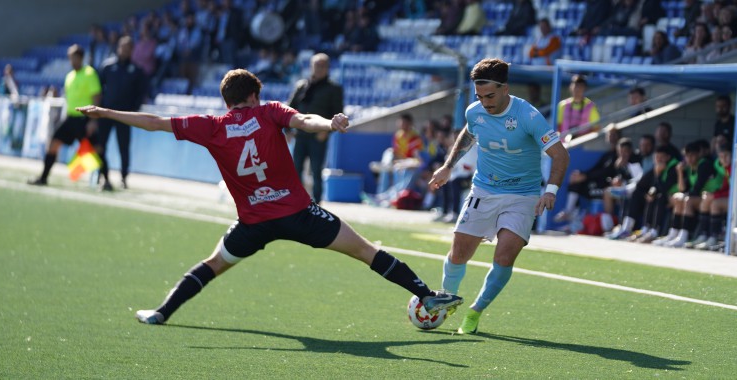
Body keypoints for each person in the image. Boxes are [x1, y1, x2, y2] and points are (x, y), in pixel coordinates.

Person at [75, 68, 463, 325]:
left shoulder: (210, 126)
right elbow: (305, 122)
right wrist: (331, 122)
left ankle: (162, 312)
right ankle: (427, 296)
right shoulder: (270, 112)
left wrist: (107, 112)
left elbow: (155, 123)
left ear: (228, 100)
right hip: (299, 214)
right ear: (255, 94)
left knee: (212, 264)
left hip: (253, 223)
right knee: (365, 250)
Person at [428, 58, 570, 334]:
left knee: (504, 257)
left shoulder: (528, 116)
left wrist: (550, 191)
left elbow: (560, 154)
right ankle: (445, 299)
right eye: (479, 96)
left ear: (505, 88)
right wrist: (448, 166)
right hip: (484, 190)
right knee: (459, 253)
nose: (484, 102)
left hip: (523, 196)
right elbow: (468, 135)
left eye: (490, 95)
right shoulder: (474, 112)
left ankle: (475, 312)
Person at [28, 44, 101, 186]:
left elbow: (96, 97)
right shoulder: (70, 76)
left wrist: (93, 120)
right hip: (70, 117)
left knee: (96, 149)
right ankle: (43, 177)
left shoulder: (89, 73)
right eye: (69, 58)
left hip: (84, 119)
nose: (71, 61)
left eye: (73, 58)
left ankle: (106, 180)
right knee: (53, 144)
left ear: (80, 58)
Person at [288, 53, 344, 203]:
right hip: (300, 134)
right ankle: (297, 201)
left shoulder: (334, 88)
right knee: (296, 169)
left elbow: (337, 113)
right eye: (316, 65)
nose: (319, 69)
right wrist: (288, 130)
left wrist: (327, 130)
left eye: (322, 66)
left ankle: (317, 202)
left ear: (328, 68)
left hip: (318, 135)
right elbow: (289, 109)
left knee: (316, 170)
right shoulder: (302, 85)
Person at [96, 36, 148, 190]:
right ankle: (101, 173)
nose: (124, 50)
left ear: (132, 50)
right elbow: (98, 89)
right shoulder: (107, 66)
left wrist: (133, 110)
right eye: (122, 47)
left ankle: (124, 177)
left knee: (123, 147)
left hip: (125, 115)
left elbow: (141, 92)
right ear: (118, 47)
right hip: (105, 114)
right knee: (100, 145)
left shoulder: (136, 71)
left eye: (128, 47)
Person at [556, 74, 600, 140]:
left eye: (580, 86)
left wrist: (579, 137)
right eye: (575, 85)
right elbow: (558, 127)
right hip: (564, 145)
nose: (577, 89)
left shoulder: (590, 106)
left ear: (585, 88)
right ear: (570, 87)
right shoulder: (562, 105)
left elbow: (596, 128)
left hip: (581, 145)